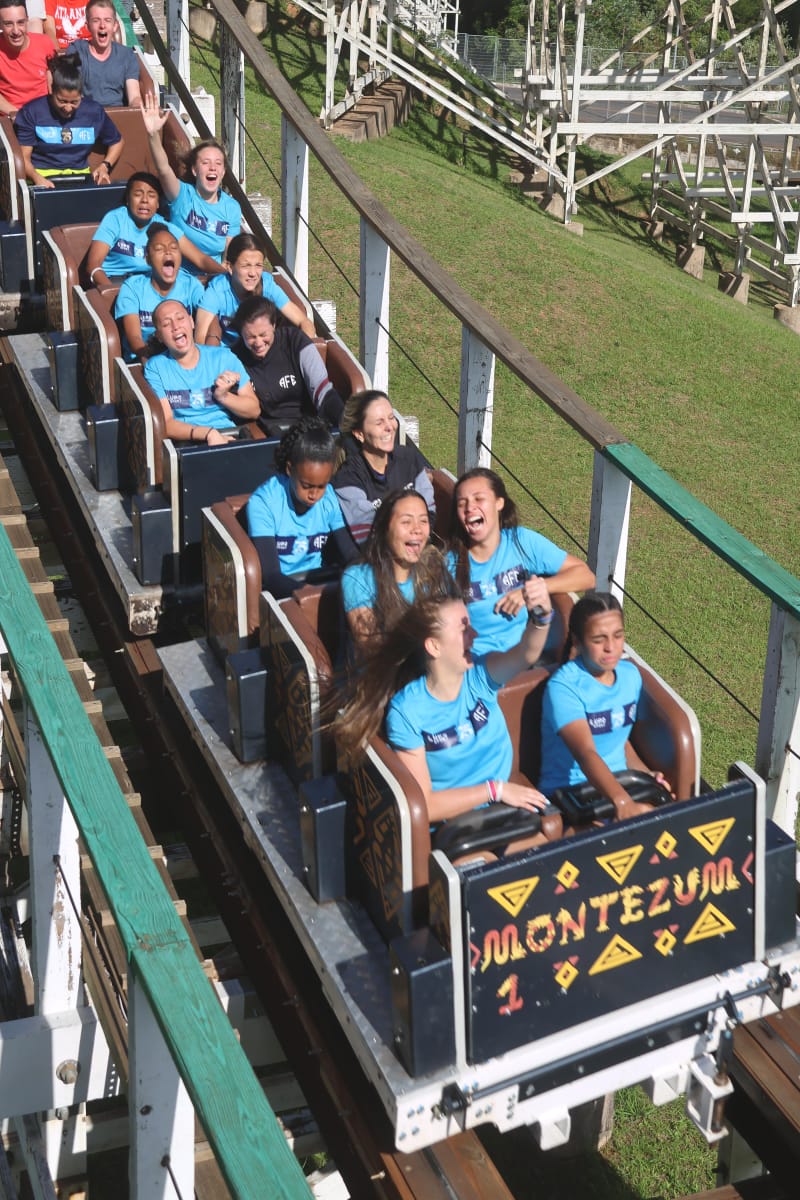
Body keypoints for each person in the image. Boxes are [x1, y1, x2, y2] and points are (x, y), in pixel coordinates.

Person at [333, 579, 554, 829]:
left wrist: (540, 615)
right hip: (458, 825)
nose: (475, 634)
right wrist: (495, 790)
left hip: (506, 809)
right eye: (464, 629)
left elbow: (527, 653)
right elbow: (426, 805)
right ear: (434, 646)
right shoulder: (408, 712)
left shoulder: (480, 676)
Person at [538, 592, 671, 816]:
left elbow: (618, 741)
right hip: (569, 796)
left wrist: (648, 775)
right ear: (578, 642)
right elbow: (586, 753)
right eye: (599, 640)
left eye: (618, 636)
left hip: (621, 784)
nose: (611, 647)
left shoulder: (630, 676)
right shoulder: (562, 688)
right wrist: (621, 801)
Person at [448, 467, 595, 655]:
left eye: (479, 499)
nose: (469, 508)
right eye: (462, 503)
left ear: (499, 503)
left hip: (520, 660)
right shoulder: (449, 564)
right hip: (471, 666)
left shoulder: (522, 542)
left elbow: (586, 576)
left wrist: (534, 589)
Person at [246, 416, 357, 599]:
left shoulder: (328, 498)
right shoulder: (263, 503)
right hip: (283, 595)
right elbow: (272, 576)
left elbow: (349, 552)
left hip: (319, 586)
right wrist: (307, 596)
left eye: (321, 486)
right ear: (290, 470)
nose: (314, 495)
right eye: (306, 486)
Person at [141, 90, 240, 270]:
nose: (212, 168)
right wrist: (153, 135)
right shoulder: (182, 195)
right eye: (205, 163)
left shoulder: (231, 207)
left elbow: (228, 256)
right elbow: (163, 169)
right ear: (194, 170)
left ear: (223, 172)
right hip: (179, 274)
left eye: (218, 163)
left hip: (213, 276)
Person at [341, 488, 452, 647]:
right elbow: (372, 649)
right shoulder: (358, 578)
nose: (417, 529)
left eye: (423, 521)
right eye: (406, 522)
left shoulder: (435, 570)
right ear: (385, 528)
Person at [143, 298, 259, 447]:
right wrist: (209, 433)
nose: (175, 326)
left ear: (191, 322)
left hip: (229, 435)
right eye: (166, 324)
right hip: (188, 441)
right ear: (159, 335)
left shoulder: (223, 357)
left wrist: (223, 396)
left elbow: (254, 409)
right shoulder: (155, 367)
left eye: (180, 318)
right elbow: (167, 422)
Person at [86, 172, 228, 288]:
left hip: (151, 287)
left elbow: (201, 259)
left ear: (158, 203)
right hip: (116, 284)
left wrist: (228, 277)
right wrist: (110, 292)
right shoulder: (115, 219)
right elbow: (93, 265)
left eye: (151, 195)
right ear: (128, 200)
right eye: (138, 194)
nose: (145, 200)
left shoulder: (164, 227)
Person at [333, 390, 435, 546]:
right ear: (359, 434)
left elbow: (430, 512)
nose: (390, 427)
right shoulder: (348, 479)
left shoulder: (409, 459)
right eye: (379, 423)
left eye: (391, 418)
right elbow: (367, 534)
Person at [230, 296, 343, 436]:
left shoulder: (295, 341)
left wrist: (342, 422)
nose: (258, 343)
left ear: (274, 325)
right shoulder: (234, 358)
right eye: (251, 337)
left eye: (263, 335)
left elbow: (321, 388)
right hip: (268, 432)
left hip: (308, 426)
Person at [14, 49, 121, 186]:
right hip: (43, 176)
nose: (68, 108)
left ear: (81, 95)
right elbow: (24, 157)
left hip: (80, 177)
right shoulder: (32, 112)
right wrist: (37, 178)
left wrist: (105, 165)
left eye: (74, 102)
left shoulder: (94, 111)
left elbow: (117, 142)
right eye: (62, 101)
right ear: (52, 91)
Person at [195, 233, 314, 347]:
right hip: (228, 354)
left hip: (261, 351)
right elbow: (200, 337)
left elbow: (304, 322)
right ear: (230, 267)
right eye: (246, 266)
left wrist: (304, 350)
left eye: (258, 265)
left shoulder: (267, 286)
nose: (253, 273)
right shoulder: (217, 290)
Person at [115, 223, 204, 360]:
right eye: (159, 249)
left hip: (184, 357)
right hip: (144, 359)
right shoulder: (132, 288)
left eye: (174, 248)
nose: (168, 252)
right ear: (148, 259)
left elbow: (210, 318)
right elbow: (135, 338)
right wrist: (153, 363)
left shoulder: (190, 284)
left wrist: (205, 355)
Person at [67, 0, 140, 108]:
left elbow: (134, 96)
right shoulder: (77, 51)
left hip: (118, 116)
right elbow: (73, 94)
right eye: (96, 20)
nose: (102, 26)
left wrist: (137, 108)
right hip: (87, 116)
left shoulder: (127, 55)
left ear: (115, 26)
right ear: (88, 26)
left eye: (107, 20)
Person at [0, 1, 52, 118]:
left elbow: (56, 80)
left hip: (44, 116)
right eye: (8, 24)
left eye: (20, 22)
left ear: (27, 21)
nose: (16, 31)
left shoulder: (44, 43)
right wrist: (17, 114)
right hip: (9, 117)